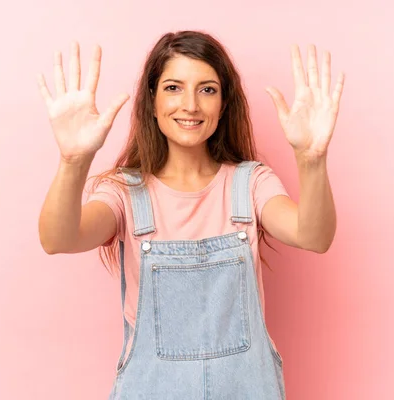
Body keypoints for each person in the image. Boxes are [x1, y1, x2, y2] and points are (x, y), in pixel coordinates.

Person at [37, 30, 344, 400]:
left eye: (207, 89)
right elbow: (58, 239)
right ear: (151, 101)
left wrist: (311, 161)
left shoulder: (250, 183)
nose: (191, 105)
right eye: (173, 87)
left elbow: (313, 236)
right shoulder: (125, 191)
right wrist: (73, 161)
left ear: (224, 103)